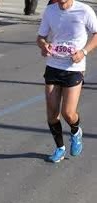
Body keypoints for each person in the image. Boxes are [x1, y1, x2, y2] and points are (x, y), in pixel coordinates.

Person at [37, 0, 97, 162]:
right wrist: (44, 46)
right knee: (52, 114)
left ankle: (76, 132)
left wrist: (83, 52)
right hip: (53, 65)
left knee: (68, 114)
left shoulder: (84, 10)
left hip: (74, 68)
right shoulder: (50, 11)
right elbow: (40, 37)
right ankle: (59, 148)